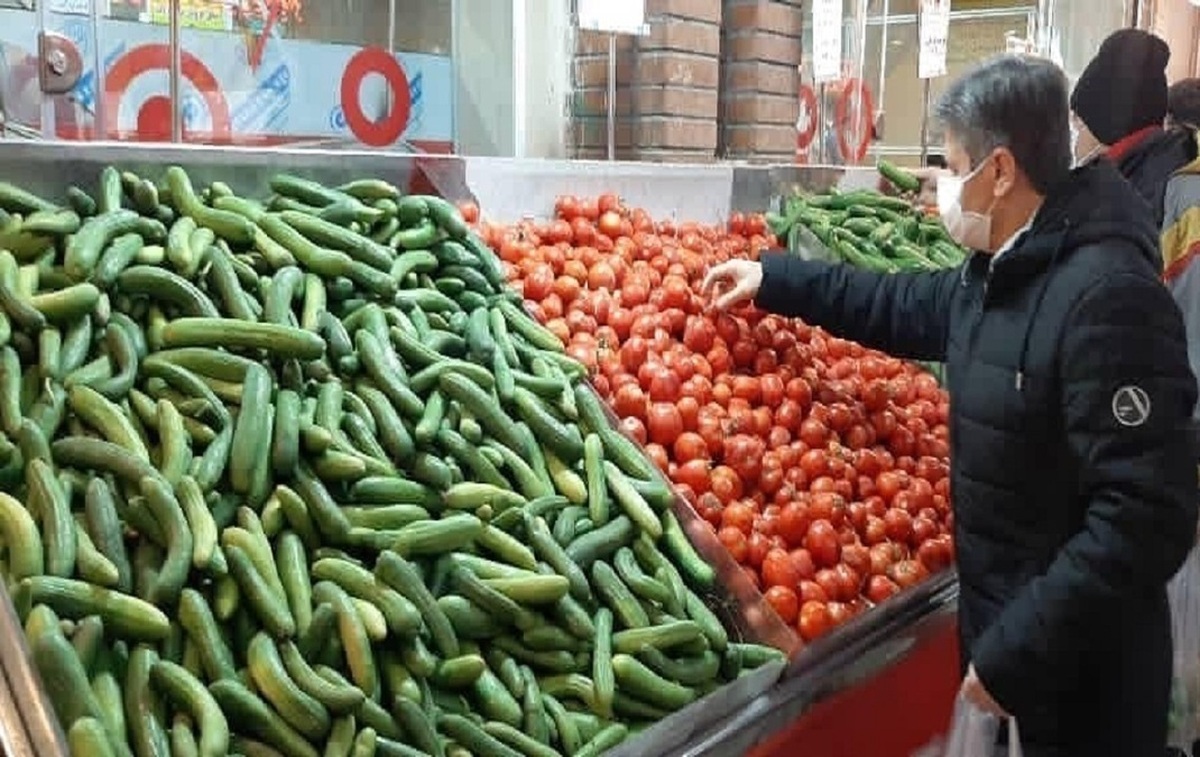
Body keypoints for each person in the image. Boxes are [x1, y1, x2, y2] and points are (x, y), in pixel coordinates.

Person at [703, 54, 1198, 757]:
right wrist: (771, 277)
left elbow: (1147, 518)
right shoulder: (999, 269)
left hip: (1086, 680)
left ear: (999, 172)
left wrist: (1018, 651)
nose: (941, 185)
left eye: (953, 163)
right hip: (1010, 643)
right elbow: (892, 302)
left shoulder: (1110, 296)